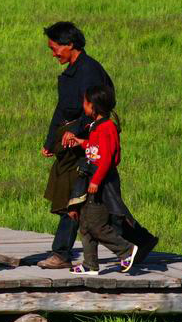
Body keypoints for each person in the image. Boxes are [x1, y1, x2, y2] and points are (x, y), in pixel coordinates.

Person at [37, 21, 158, 269]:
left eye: (55, 47)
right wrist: (51, 140)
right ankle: (141, 240)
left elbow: (94, 111)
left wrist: (77, 137)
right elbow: (62, 108)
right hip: (71, 139)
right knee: (98, 202)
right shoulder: (73, 71)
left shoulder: (89, 71)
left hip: (84, 143)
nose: (53, 53)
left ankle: (61, 253)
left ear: (70, 45)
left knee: (76, 198)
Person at [64, 85, 137, 275]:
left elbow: (106, 158)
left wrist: (96, 181)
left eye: (85, 103)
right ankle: (90, 264)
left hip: (103, 183)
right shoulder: (95, 127)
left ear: (93, 106)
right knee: (85, 223)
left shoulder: (107, 127)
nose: (83, 106)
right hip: (92, 179)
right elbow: (96, 149)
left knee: (96, 225)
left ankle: (126, 250)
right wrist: (82, 142)